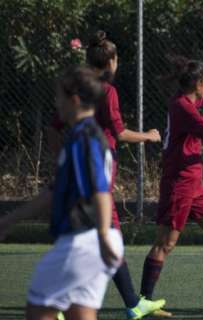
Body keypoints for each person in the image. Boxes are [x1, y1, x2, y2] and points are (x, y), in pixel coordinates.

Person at [49, 31, 166, 320]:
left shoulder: (74, 86)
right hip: (99, 168)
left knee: (88, 236)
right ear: (112, 61)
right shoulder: (106, 91)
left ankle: (129, 303)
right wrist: (149, 136)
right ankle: (72, 305)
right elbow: (119, 133)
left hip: (79, 167)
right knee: (105, 236)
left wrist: (61, 159)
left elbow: (52, 128)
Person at [0, 66, 124, 320]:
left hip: (84, 240)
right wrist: (9, 220)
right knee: (79, 313)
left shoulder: (85, 137)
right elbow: (53, 191)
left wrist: (100, 235)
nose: (56, 102)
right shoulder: (82, 135)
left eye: (59, 96)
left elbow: (101, 190)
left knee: (38, 310)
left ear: (74, 100)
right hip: (95, 241)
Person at [138, 55, 203, 312]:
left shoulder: (187, 99)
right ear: (198, 83)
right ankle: (142, 301)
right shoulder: (183, 108)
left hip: (194, 184)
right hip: (179, 184)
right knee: (165, 243)